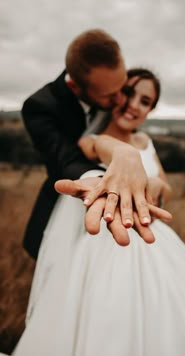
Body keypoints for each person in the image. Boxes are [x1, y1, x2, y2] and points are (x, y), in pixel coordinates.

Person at [13, 68, 185, 355]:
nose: (133, 104)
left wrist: (153, 182)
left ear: (150, 111)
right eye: (129, 93)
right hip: (105, 248)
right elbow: (100, 147)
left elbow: (166, 188)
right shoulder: (93, 139)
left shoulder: (145, 142)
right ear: (115, 94)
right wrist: (122, 152)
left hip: (157, 247)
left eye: (145, 101)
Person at [21, 29, 164, 260]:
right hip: (64, 210)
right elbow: (65, 158)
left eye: (123, 88)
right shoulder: (40, 107)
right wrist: (106, 180)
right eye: (110, 96)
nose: (121, 101)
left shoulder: (115, 95)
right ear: (76, 88)